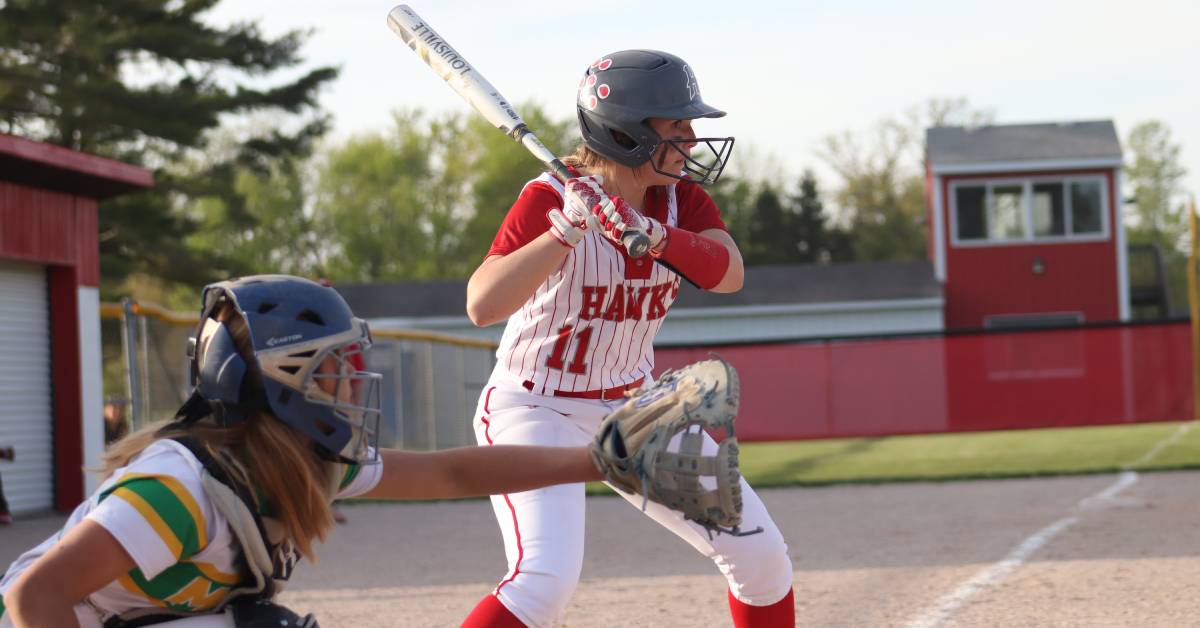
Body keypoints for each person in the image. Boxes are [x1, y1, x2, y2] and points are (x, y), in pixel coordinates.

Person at [0, 275, 612, 627]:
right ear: (283, 378)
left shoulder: (295, 455)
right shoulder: (181, 490)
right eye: (335, 366)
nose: (353, 383)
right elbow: (34, 596)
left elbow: (453, 471)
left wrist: (600, 461)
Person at [462, 50, 795, 627]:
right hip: (536, 405)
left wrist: (655, 233)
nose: (692, 139)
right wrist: (563, 232)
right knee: (543, 583)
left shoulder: (680, 201)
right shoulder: (547, 198)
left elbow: (728, 274)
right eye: (677, 126)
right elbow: (482, 304)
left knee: (760, 556)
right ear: (627, 134)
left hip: (633, 406)